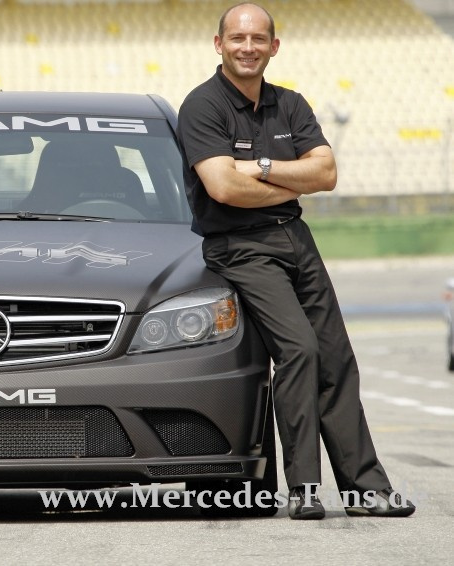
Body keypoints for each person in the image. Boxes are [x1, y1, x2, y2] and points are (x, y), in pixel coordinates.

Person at [176, 2, 415, 520]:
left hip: (295, 238)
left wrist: (259, 167)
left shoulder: (290, 103)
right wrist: (288, 181)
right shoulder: (201, 106)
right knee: (300, 350)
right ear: (219, 44)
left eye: (258, 39)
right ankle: (304, 488)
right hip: (239, 246)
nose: (248, 47)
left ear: (274, 47)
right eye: (237, 38)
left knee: (337, 358)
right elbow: (223, 188)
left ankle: (365, 489)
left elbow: (326, 173)